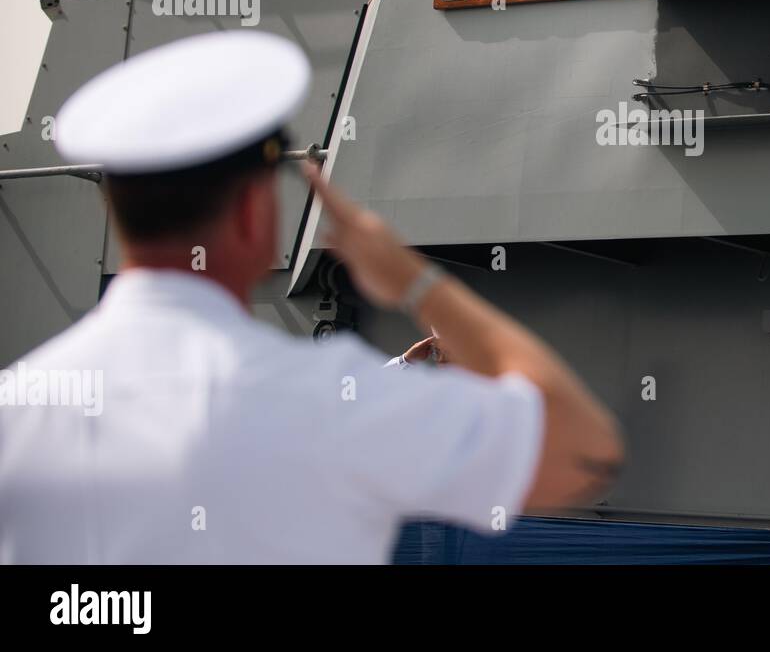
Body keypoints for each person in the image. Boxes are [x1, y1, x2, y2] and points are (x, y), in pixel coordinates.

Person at [0, 30, 623, 564]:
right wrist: (416, 281)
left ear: (116, 209)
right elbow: (582, 455)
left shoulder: (18, 405)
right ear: (255, 212)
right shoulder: (328, 402)